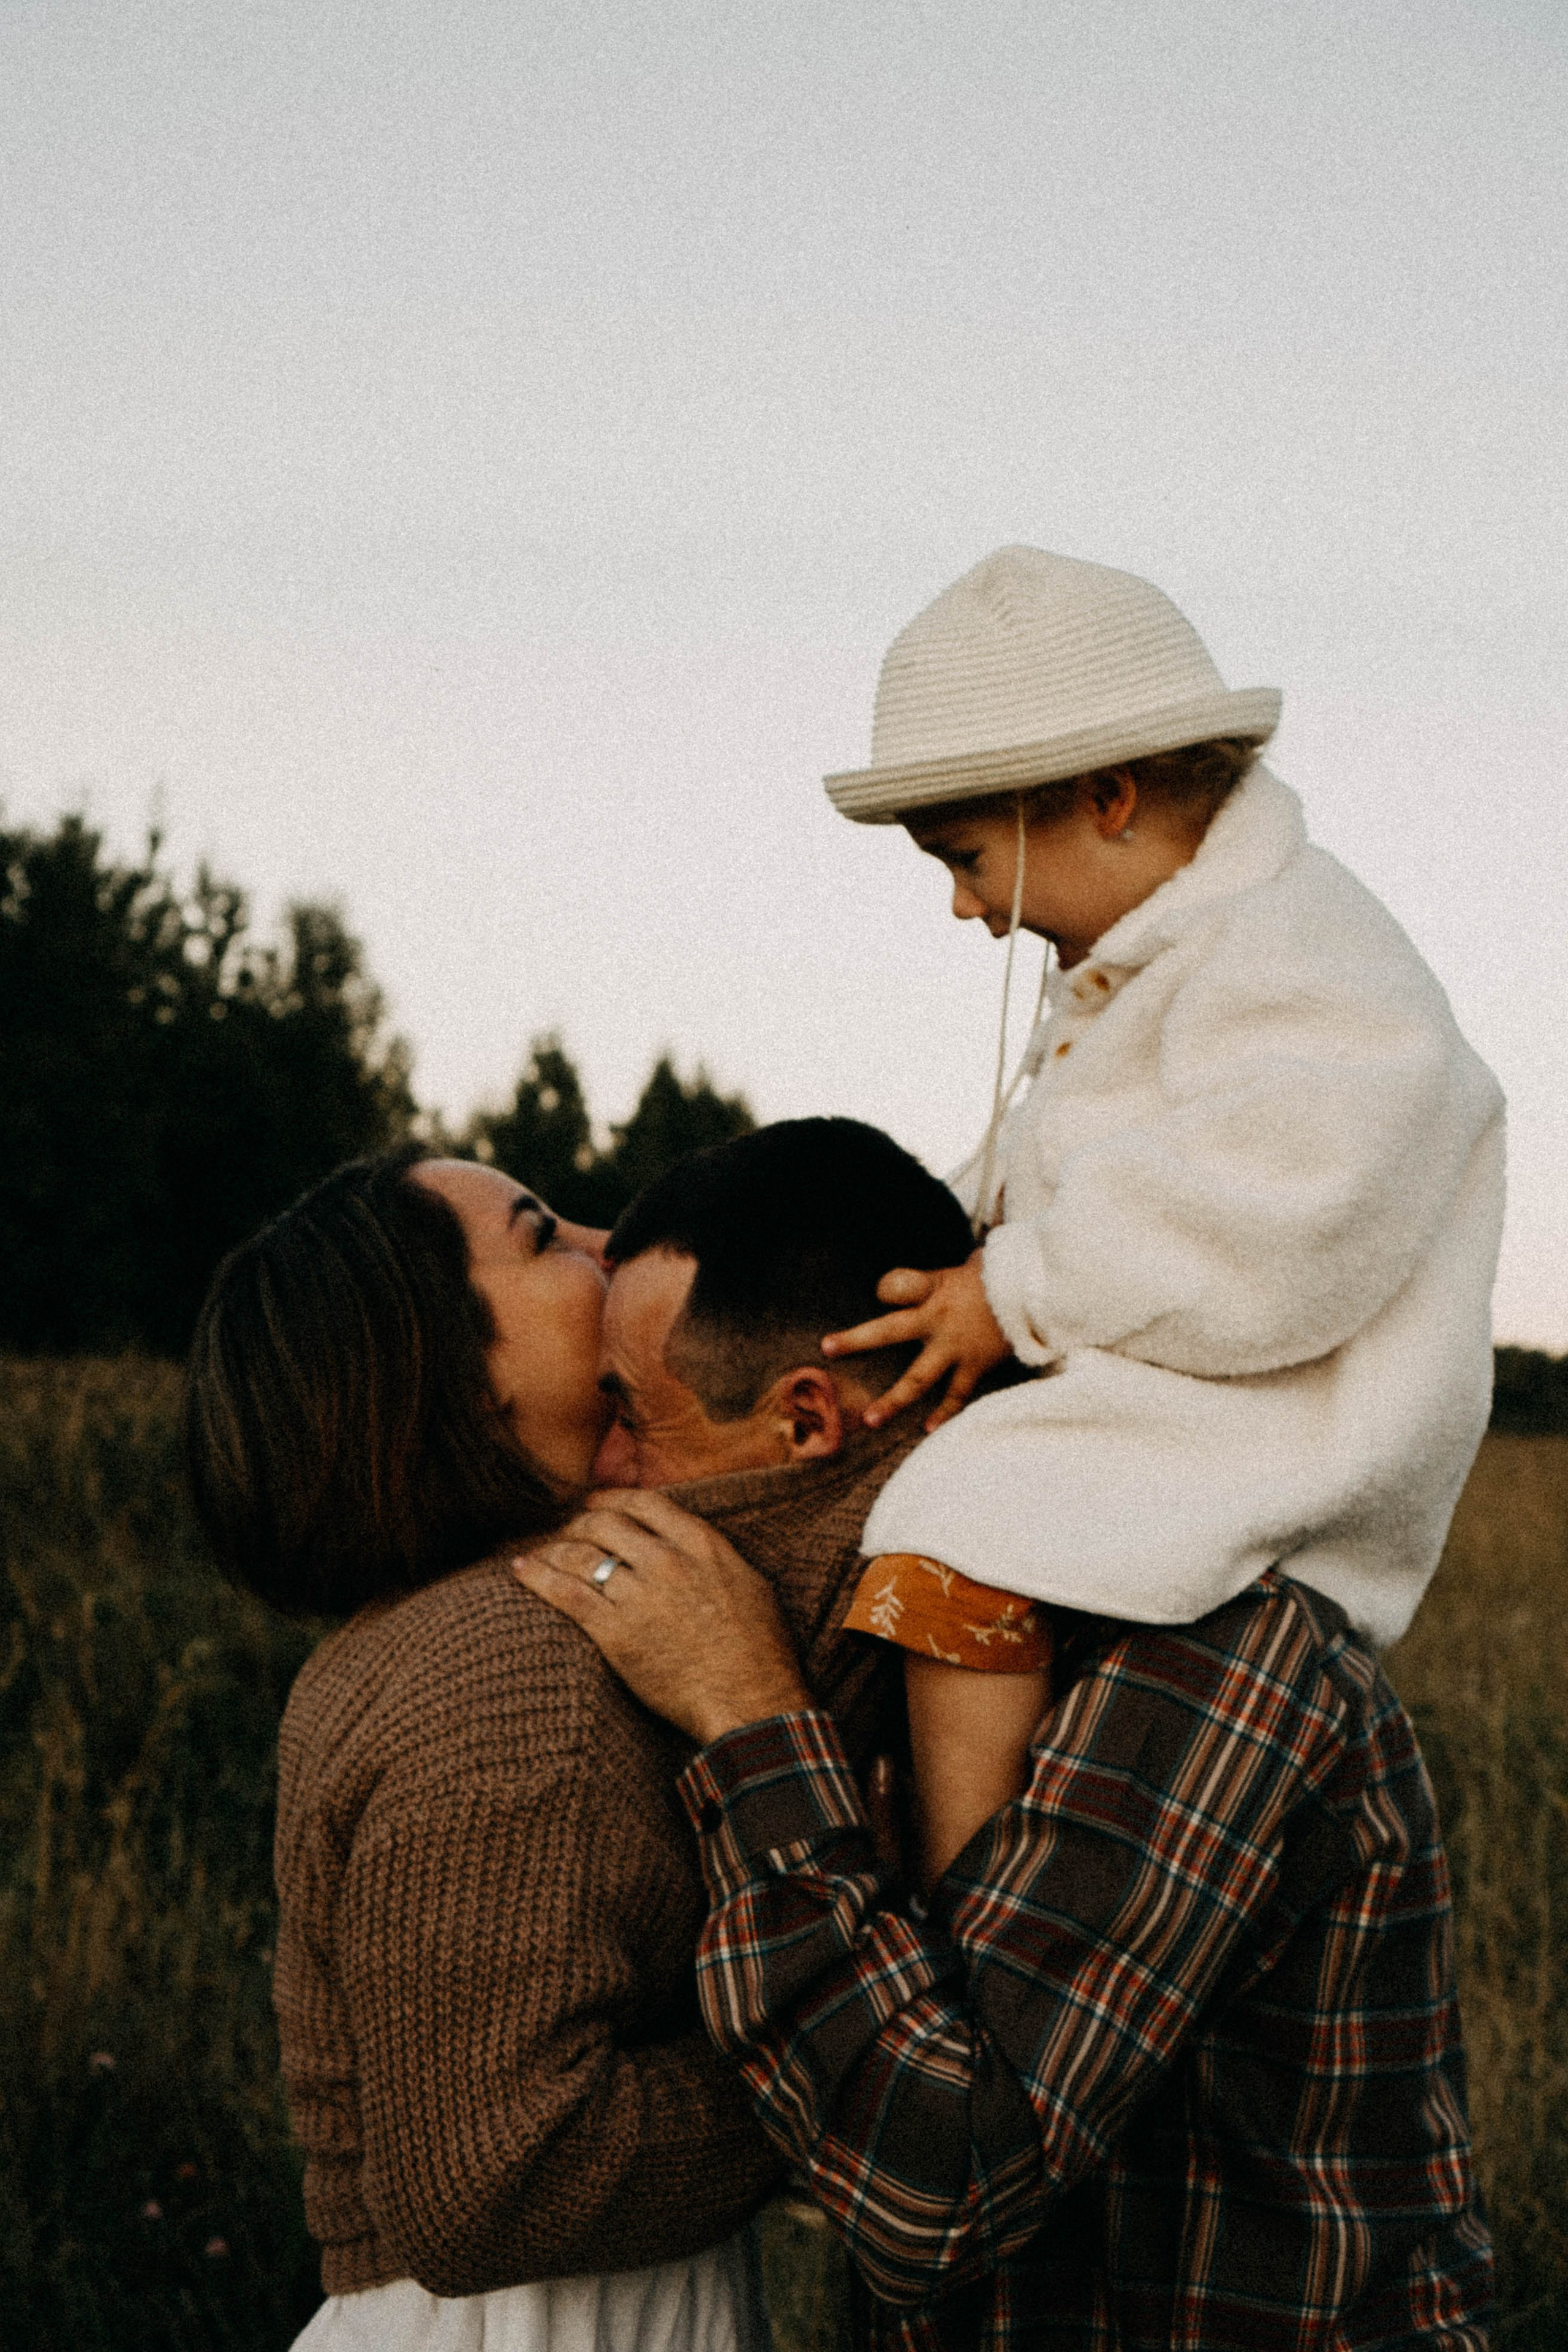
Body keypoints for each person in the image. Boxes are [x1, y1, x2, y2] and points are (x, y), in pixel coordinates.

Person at [183, 1119, 980, 2350]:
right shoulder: (509, 1672)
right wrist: (841, 2066)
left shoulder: (489, 1623)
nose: (609, 1245)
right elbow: (493, 2185)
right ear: (453, 1374)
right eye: (544, 1235)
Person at [812, 543, 1505, 1881]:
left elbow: (1291, 1213)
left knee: (961, 1515)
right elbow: (1035, 1177)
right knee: (906, 1488)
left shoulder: (1300, 951)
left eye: (964, 858)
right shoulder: (1143, 962)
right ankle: (948, 1813)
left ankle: (974, 1898)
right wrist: (932, 1258)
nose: (964, 909)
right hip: (1192, 1395)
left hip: (1282, 1420)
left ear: (1107, 799)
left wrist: (1011, 1295)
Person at [517, 1484, 1496, 2350]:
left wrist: (745, 1712)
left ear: (812, 1416)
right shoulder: (907, 1631)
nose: (622, 1472)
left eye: (637, 1409)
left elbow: (935, 2191)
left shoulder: (1211, 1649)